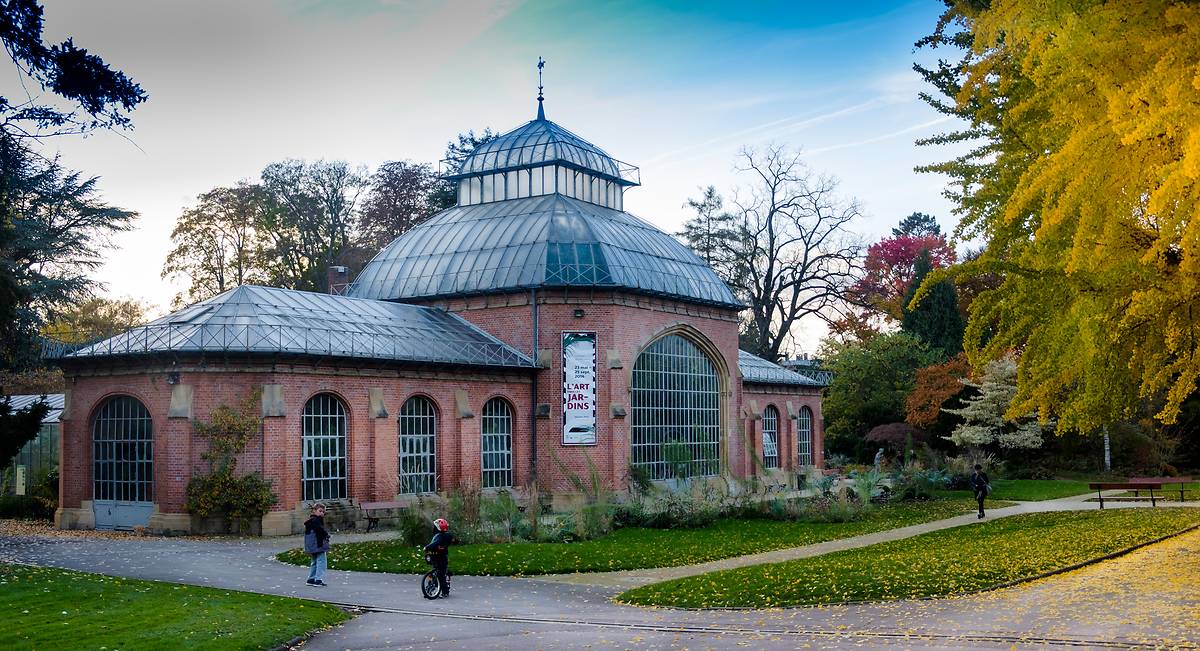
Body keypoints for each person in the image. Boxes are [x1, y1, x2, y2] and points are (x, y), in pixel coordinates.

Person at [424, 517, 454, 597]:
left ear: (437, 528)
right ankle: (431, 589)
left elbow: (435, 544)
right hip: (439, 557)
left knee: (440, 575)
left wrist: (427, 547)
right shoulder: (446, 536)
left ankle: (445, 592)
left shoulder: (439, 536)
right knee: (435, 573)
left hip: (439, 558)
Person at [303, 503, 331, 586]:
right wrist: (326, 535)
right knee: (321, 561)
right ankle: (318, 579)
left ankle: (311, 578)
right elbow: (319, 531)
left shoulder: (311, 521)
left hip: (312, 545)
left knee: (314, 561)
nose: (322, 513)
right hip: (318, 544)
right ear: (314, 511)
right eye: (320, 511)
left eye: (323, 512)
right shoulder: (316, 521)